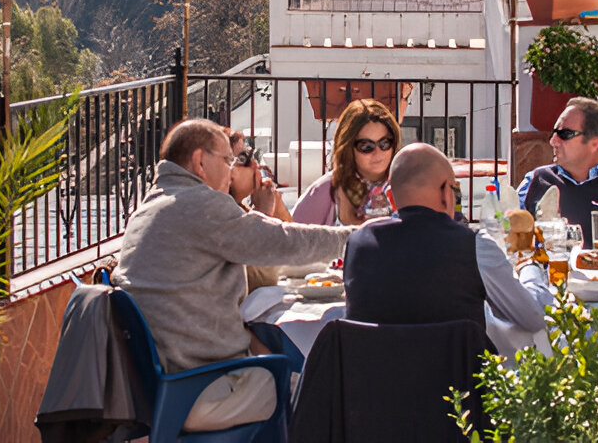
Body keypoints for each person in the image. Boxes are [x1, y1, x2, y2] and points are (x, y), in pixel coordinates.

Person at [112, 118, 352, 432]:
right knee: (310, 380)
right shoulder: (200, 204)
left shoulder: (148, 208)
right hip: (200, 386)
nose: (231, 169)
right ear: (200, 161)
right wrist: (356, 238)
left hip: (155, 386)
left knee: (276, 358)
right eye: (228, 160)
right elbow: (284, 242)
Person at [343, 142, 552, 356]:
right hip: (458, 386)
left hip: (373, 386)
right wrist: (529, 266)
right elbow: (533, 319)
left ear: (391, 200)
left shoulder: (357, 244)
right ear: (446, 193)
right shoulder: (474, 247)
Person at [517, 97, 598, 247]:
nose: (553, 141)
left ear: (595, 143)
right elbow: (510, 237)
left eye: (565, 134)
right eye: (554, 133)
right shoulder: (536, 179)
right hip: (547, 269)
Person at [292, 98, 401, 226]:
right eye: (366, 146)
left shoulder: (406, 185)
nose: (377, 153)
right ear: (348, 148)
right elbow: (293, 238)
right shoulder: (327, 190)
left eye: (385, 143)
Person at [224, 127, 293, 292]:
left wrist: (277, 207)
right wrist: (264, 214)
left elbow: (292, 251)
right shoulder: (221, 215)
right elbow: (259, 281)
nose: (255, 164)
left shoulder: (241, 208)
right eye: (243, 158)